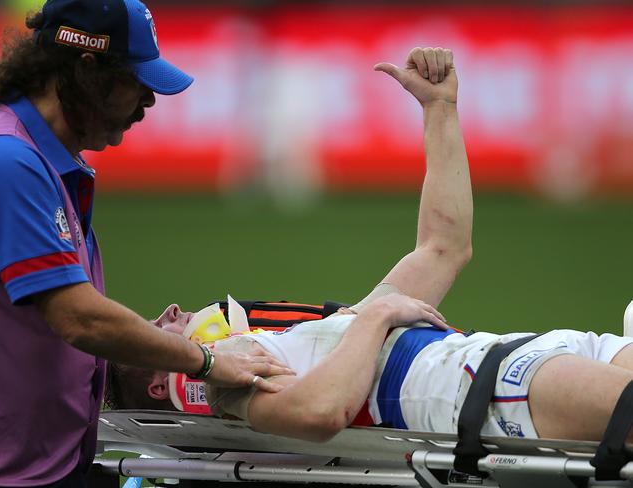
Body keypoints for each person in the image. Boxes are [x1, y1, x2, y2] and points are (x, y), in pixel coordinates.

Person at [108, 46, 633, 446]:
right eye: (157, 328)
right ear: (164, 387)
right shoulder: (233, 381)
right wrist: (376, 317)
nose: (170, 310)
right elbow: (320, 413)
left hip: (535, 352)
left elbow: (444, 246)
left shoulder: (336, 334)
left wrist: (440, 109)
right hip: (496, 384)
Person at [0, 1, 291, 486]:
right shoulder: (7, 161)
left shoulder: (35, 154)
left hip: (42, 464)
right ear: (87, 68)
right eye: (137, 83)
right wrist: (208, 362)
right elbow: (77, 316)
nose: (148, 103)